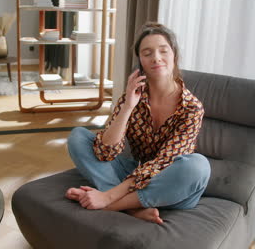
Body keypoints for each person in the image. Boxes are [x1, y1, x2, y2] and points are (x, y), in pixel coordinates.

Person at [65, 22, 211, 224]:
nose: (156, 58)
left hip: (169, 186)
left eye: (163, 51)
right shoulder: (132, 97)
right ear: (140, 61)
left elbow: (164, 162)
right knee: (78, 137)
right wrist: (128, 106)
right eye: (147, 53)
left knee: (198, 166)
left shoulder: (192, 108)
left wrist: (108, 197)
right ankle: (132, 209)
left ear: (174, 56)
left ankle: (111, 204)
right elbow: (105, 152)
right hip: (136, 176)